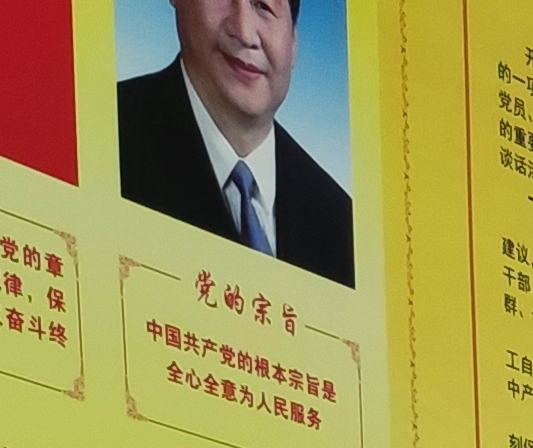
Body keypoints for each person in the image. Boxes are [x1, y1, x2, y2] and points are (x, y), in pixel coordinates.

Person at [118, 0, 358, 290]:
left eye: (264, 6)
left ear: (294, 41)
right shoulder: (106, 135)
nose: (244, 33)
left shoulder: (342, 226)